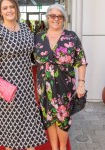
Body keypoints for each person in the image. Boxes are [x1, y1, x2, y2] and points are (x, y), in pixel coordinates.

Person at [0, 0, 47, 150]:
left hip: (25, 85)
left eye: (11, 7)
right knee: (11, 130)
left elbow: (31, 53)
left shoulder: (25, 28)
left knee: (29, 126)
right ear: (0, 12)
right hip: (7, 86)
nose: (9, 10)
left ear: (16, 8)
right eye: (5, 8)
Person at [33, 4, 87, 150]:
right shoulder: (38, 37)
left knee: (63, 119)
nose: (55, 19)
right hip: (44, 88)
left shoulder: (71, 37)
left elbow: (81, 62)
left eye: (59, 16)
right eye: (52, 16)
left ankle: (62, 148)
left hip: (64, 87)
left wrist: (81, 83)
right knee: (49, 119)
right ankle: (54, 148)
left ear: (63, 19)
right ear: (47, 18)